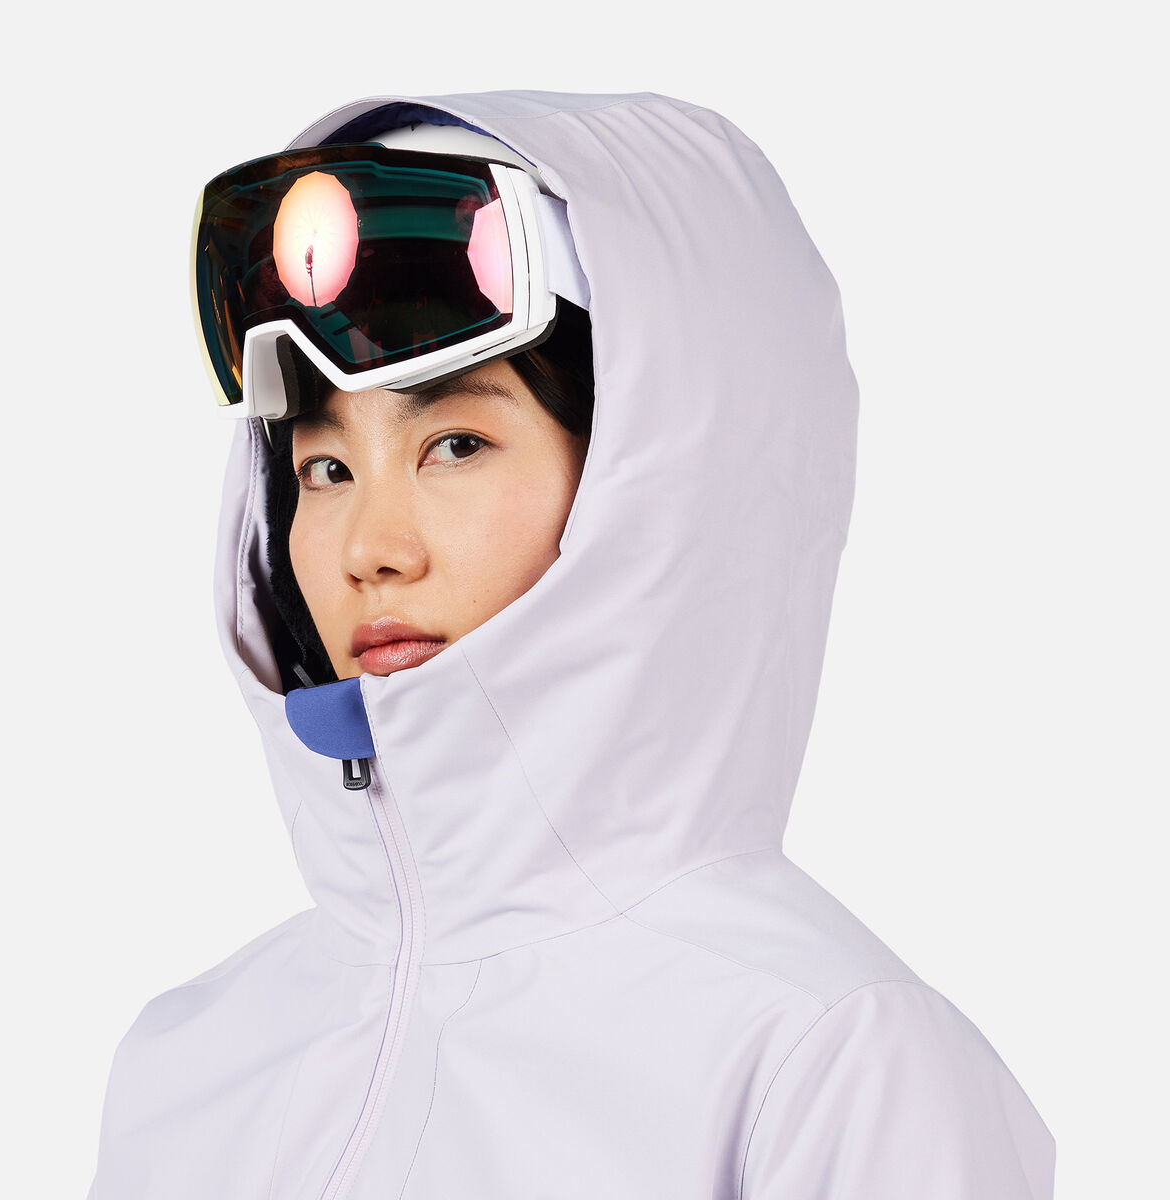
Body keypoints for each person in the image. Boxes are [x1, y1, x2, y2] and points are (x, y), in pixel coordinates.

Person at [87, 91, 1055, 1198]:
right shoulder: (186, 1066)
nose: (369, 549)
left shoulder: (830, 1063)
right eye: (326, 467)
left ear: (659, 489)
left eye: (455, 444)